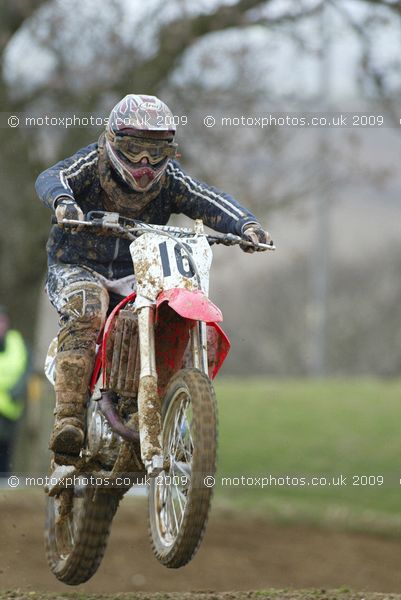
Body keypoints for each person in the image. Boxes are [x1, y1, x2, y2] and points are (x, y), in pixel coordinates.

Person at [35, 93, 271, 459]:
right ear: (114, 142)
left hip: (136, 270)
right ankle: (69, 419)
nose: (144, 163)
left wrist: (246, 224)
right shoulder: (90, 164)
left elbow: (207, 197)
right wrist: (63, 201)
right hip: (77, 265)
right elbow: (53, 176)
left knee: (168, 313)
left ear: (169, 152)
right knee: (86, 309)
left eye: (155, 152)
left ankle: (167, 409)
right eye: (133, 150)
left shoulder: (170, 181)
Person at [0, 306, 29, 474]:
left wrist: (17, 391)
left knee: (5, 454)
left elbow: (27, 369)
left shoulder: (16, 342)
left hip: (10, 412)